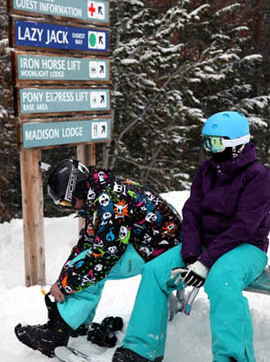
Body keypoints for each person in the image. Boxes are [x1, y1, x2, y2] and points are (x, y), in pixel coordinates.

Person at [108, 110, 270, 362]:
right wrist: (192, 255)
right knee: (155, 271)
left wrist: (205, 262)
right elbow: (192, 212)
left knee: (221, 279)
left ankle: (233, 356)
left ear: (236, 144)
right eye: (206, 142)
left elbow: (244, 226)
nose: (209, 149)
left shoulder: (258, 176)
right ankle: (141, 348)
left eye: (215, 143)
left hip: (246, 247)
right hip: (205, 245)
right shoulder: (207, 170)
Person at [14, 159, 182, 361]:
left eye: (67, 203)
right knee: (83, 261)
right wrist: (65, 276)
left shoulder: (108, 203)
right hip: (148, 243)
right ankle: (75, 323)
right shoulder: (99, 192)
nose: (69, 209)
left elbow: (103, 258)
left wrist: (66, 284)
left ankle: (56, 333)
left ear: (77, 191)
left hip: (162, 250)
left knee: (92, 266)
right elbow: (87, 241)